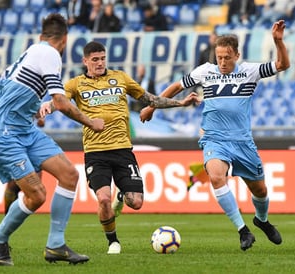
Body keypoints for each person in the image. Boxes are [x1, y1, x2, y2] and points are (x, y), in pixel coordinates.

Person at [140, 20, 290, 251]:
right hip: (214, 138)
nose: (222, 62)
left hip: (242, 142)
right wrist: (152, 106)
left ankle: (261, 220)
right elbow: (176, 86)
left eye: (227, 57)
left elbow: (282, 65)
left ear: (236, 55)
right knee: (217, 177)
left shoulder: (250, 72)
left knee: (260, 190)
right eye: (219, 57)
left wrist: (278, 42)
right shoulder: (205, 71)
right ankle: (243, 231)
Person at [40, 41, 200, 255]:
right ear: (85, 61)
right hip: (95, 152)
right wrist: (47, 106)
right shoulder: (75, 84)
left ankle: (121, 197)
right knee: (103, 198)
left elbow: (149, 98)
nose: (99, 63)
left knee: (136, 202)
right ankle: (113, 241)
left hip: (123, 150)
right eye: (95, 59)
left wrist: (179, 103)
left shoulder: (121, 78)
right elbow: (59, 101)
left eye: (102, 58)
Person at [0, 13, 105, 266]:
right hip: (5, 135)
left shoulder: (30, 53)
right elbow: (61, 103)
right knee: (37, 195)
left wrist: (32, 111)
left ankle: (55, 246)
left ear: (41, 36)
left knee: (69, 175)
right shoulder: (51, 54)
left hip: (23, 130)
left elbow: (1, 95)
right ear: (65, 40)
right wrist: (91, 122)